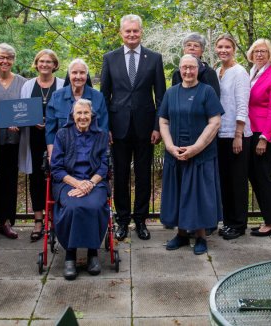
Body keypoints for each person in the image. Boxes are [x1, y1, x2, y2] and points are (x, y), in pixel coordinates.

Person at [100, 14, 166, 241]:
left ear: (141, 32)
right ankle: (122, 219)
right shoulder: (110, 58)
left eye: (135, 31)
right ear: (121, 33)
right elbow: (104, 96)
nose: (131, 35)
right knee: (119, 176)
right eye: (127, 31)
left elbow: (161, 97)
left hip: (146, 128)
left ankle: (140, 220)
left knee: (143, 175)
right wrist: (105, 126)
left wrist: (158, 126)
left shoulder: (154, 58)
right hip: (117, 127)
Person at [159, 55, 224, 255]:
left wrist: (196, 148)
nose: (188, 72)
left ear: (198, 69)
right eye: (184, 68)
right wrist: (170, 146)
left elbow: (215, 122)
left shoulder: (207, 91)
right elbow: (163, 121)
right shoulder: (171, 93)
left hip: (200, 154)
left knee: (199, 196)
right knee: (178, 193)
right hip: (175, 154)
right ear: (179, 69)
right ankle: (181, 235)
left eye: (192, 68)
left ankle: (201, 236)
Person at [50, 99, 110, 280]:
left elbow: (104, 167)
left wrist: (90, 184)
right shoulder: (62, 134)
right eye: (79, 113)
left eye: (86, 113)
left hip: (95, 182)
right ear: (73, 116)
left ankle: (93, 253)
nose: (83, 117)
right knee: (72, 207)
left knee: (93, 206)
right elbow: (57, 168)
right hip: (68, 182)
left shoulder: (101, 135)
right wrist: (77, 184)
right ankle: (70, 255)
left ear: (92, 115)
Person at [20, 49, 64, 242]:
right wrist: (33, 121)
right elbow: (21, 111)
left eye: (49, 62)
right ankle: (39, 221)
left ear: (55, 65)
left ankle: (55, 220)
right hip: (34, 138)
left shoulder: (62, 84)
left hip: (57, 139)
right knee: (36, 178)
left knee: (57, 176)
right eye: (41, 61)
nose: (45, 65)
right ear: (36, 64)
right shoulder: (27, 85)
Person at [213, 34, 252, 240]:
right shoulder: (217, 71)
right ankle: (228, 222)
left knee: (237, 181)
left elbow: (242, 103)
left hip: (236, 133)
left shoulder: (240, 72)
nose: (223, 50)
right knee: (225, 181)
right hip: (219, 133)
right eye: (220, 47)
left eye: (227, 47)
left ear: (234, 49)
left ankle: (238, 224)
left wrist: (238, 133)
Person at [0, 43, 26, 239]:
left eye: (9, 58)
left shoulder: (22, 82)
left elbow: (26, 109)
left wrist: (20, 122)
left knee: (9, 180)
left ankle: (6, 221)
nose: (5, 61)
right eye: (1, 57)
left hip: (13, 139)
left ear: (13, 60)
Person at [245, 39, 271, 237]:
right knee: (255, 176)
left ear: (270, 55)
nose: (259, 54)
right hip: (252, 130)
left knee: (263, 178)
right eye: (256, 51)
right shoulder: (252, 73)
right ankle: (268, 218)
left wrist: (264, 138)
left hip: (265, 132)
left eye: (264, 51)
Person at [46, 58, 109, 155]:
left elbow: (103, 129)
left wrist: (100, 156)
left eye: (82, 73)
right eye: (74, 72)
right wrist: (51, 155)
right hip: (62, 153)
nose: (78, 76)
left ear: (87, 75)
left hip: (91, 153)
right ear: (69, 74)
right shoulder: (56, 97)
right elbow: (50, 130)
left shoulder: (98, 97)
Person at [170, 32, 220, 97]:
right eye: (188, 45)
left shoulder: (210, 73)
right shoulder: (177, 73)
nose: (192, 48)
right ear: (184, 50)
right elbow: (173, 98)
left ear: (202, 51)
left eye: (196, 46)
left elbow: (215, 99)